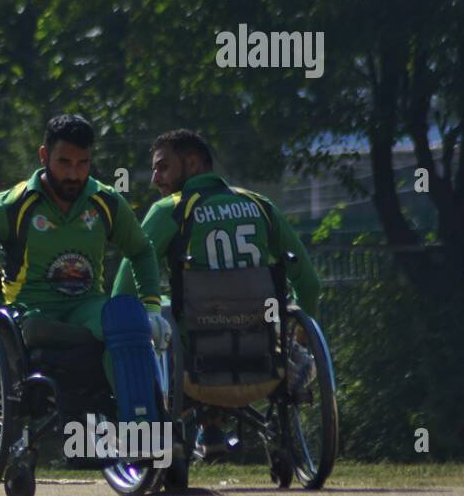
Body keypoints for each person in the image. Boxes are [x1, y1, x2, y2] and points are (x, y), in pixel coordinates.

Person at [0, 114, 165, 428]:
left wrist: (152, 310)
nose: (73, 174)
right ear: (43, 156)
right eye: (64, 163)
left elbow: (142, 251)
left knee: (128, 317)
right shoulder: (13, 206)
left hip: (87, 308)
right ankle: (119, 401)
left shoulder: (105, 202)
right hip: (32, 312)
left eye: (82, 164)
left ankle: (144, 428)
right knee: (95, 329)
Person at [110, 129, 322, 458]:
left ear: (192, 163)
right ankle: (212, 425)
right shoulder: (260, 205)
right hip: (264, 361)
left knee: (161, 311)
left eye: (162, 167)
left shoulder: (171, 210)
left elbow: (124, 289)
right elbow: (309, 283)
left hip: (195, 365)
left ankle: (175, 431)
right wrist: (299, 342)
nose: (155, 179)